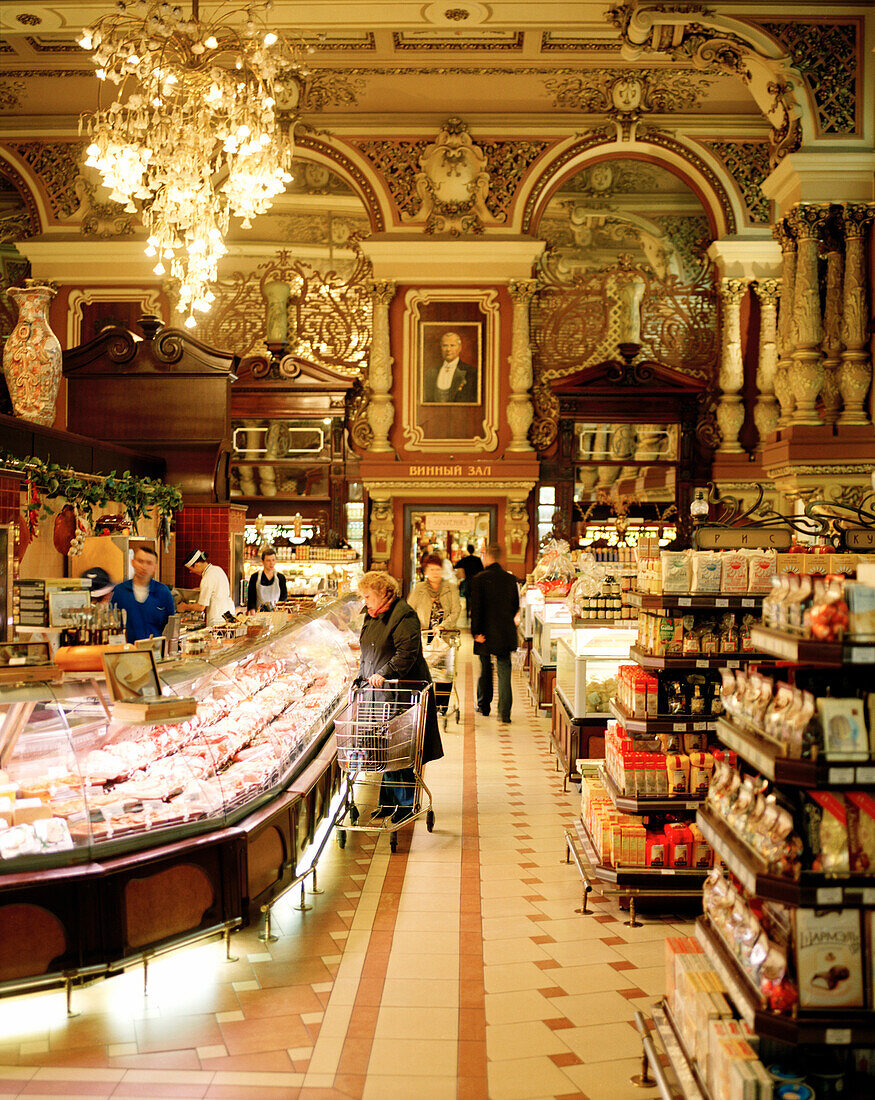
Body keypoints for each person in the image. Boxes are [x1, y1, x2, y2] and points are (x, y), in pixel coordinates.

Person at [357, 570, 443, 823]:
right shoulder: (372, 614)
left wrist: (384, 673)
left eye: (368, 596)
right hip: (378, 693)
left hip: (402, 691)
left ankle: (405, 806)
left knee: (399, 747)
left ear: (384, 594)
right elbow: (370, 647)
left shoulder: (404, 615)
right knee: (383, 746)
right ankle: (387, 802)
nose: (365, 601)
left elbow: (407, 653)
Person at [468, 543, 520, 724]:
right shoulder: (509, 579)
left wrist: (476, 632)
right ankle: (504, 713)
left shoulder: (479, 579)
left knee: (485, 668)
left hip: (485, 632)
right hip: (505, 631)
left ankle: (484, 705)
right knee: (504, 670)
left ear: (486, 556)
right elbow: (515, 606)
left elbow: (475, 609)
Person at [110, 545, 176, 643]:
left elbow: (171, 626)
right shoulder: (120, 591)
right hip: (126, 652)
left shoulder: (163, 592)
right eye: (140, 561)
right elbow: (112, 623)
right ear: (133, 562)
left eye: (149, 563)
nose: (144, 567)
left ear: (155, 567)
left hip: (155, 653)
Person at [178, 549, 236, 627]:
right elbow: (217, 589)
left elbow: (201, 607)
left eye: (191, 570)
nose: (191, 572)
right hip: (229, 615)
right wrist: (200, 589)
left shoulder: (207, 578)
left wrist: (184, 606)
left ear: (196, 565)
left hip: (217, 619)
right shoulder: (218, 569)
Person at [421, 331, 478, 404]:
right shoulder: (430, 373)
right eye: (445, 345)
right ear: (441, 348)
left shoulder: (471, 372)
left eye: (452, 345)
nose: (448, 349)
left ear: (460, 348)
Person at [246, 546, 288, 612]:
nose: (271, 563)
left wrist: (280, 611)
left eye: (273, 560)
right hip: (259, 614)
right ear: (262, 561)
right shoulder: (255, 577)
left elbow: (283, 597)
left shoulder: (281, 578)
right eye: (268, 560)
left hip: (276, 614)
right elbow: (251, 598)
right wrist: (252, 611)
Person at [454, 543, 483, 614]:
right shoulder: (477, 559)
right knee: (475, 596)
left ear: (467, 550)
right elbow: (482, 569)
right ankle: (473, 610)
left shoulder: (465, 559)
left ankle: (467, 610)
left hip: (468, 580)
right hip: (476, 580)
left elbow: (456, 566)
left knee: (467, 596)